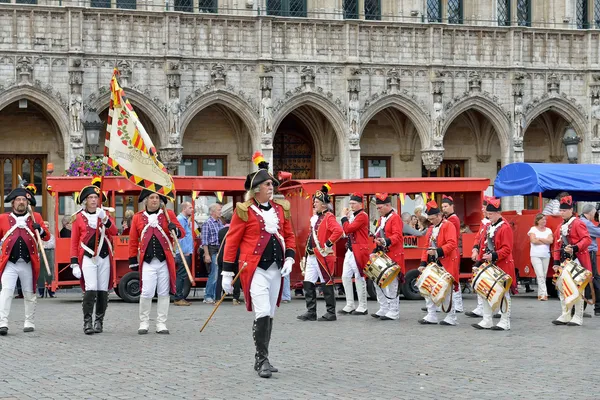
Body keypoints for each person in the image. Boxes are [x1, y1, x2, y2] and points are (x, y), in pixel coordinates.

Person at [221, 151, 296, 378]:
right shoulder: (243, 211)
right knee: (262, 311)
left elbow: (289, 236)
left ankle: (260, 356)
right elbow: (232, 242)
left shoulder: (281, 209)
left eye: (271, 184)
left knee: (270, 313)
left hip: (276, 270)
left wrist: (291, 257)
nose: (271, 187)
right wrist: (226, 272)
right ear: (256, 190)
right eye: (266, 184)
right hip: (254, 270)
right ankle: (262, 359)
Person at [129, 189, 184, 334]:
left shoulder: (168, 215)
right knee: (146, 292)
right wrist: (133, 259)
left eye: (157, 198)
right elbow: (133, 240)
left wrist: (175, 230)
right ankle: (144, 322)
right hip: (147, 261)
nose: (155, 200)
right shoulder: (137, 217)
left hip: (164, 261)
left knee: (163, 292)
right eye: (152, 197)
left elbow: (182, 232)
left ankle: (161, 323)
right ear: (146, 200)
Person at [70, 178, 118, 334]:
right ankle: (87, 322)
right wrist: (74, 263)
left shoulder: (104, 215)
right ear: (85, 200)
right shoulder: (78, 217)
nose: (93, 200)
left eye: (96, 198)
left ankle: (99, 321)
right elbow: (74, 241)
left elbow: (115, 232)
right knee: (90, 288)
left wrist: (104, 219)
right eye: (90, 197)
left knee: (103, 290)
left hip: (104, 256)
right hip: (87, 257)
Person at [0, 184, 49, 336]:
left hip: (28, 262)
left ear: (27, 203)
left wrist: (39, 229)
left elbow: (47, 236)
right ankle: (3, 322)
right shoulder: (3, 218)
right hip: (9, 263)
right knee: (6, 292)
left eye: (24, 200)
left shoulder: (36, 217)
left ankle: (29, 321)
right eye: (18, 199)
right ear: (13, 202)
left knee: (29, 293)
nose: (21, 202)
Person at [297, 183, 343, 322]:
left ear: (323, 204)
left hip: (323, 256)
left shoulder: (329, 217)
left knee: (326, 283)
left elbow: (338, 231)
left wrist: (328, 243)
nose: (314, 204)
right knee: (308, 282)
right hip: (311, 256)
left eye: (316, 202)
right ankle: (311, 312)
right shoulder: (316, 218)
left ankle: (331, 312)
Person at [472, 197, 516, 331]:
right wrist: (478, 263)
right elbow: (482, 247)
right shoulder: (487, 227)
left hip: (502, 265)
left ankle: (505, 321)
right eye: (488, 214)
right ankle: (487, 319)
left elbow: (507, 249)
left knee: (503, 293)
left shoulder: (505, 227)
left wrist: (494, 255)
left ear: (498, 213)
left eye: (491, 214)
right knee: (484, 291)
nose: (488, 216)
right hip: (488, 266)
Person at [551, 195, 591, 326]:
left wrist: (574, 247)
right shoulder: (560, 226)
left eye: (563, 211)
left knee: (578, 289)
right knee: (562, 289)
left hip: (577, 261)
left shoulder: (578, 223)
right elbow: (557, 245)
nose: (561, 213)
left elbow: (587, 239)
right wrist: (556, 263)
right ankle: (566, 314)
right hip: (563, 263)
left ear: (570, 210)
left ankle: (578, 317)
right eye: (560, 210)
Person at [418, 200, 459, 326]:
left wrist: (437, 251)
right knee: (427, 287)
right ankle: (431, 314)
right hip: (432, 264)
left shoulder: (448, 225)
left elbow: (452, 243)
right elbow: (426, 246)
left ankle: (451, 316)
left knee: (447, 291)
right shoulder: (430, 228)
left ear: (439, 215)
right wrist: (423, 263)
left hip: (445, 262)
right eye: (429, 218)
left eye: (433, 218)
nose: (431, 221)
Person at [371, 193, 404, 321]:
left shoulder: (395, 218)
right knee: (377, 281)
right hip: (383, 254)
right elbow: (379, 235)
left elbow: (397, 236)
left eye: (380, 208)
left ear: (388, 205)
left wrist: (385, 241)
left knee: (392, 284)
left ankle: (394, 310)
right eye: (377, 208)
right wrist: (375, 248)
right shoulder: (382, 219)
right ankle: (384, 307)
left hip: (393, 254)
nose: (378, 210)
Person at [339, 192, 370, 315]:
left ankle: (363, 306)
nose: (351, 206)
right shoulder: (354, 215)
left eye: (354, 203)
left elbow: (348, 229)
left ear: (360, 204)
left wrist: (343, 217)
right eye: (350, 203)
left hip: (359, 250)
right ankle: (350, 304)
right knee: (345, 276)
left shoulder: (362, 216)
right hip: (351, 250)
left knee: (359, 277)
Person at [466, 197, 491, 319]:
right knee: (479, 280)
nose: (482, 209)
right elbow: (478, 237)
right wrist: (475, 248)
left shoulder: (492, 223)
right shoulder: (484, 222)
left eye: (484, 206)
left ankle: (493, 307)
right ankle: (481, 306)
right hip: (481, 256)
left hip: (489, 256)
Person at [441, 195, 464, 313]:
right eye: (442, 207)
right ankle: (454, 304)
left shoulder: (452, 219)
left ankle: (458, 304)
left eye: (445, 206)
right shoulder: (449, 218)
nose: (443, 209)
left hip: (452, 250)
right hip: (450, 250)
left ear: (452, 206)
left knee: (453, 277)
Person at [216, 215, 243, 305]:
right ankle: (235, 298)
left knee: (220, 276)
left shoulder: (221, 231)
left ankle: (217, 298)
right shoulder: (237, 231)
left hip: (222, 256)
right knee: (236, 277)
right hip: (235, 255)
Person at [580, 203, 600, 316]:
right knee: (594, 279)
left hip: (583, 253)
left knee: (586, 279)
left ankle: (582, 308)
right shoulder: (586, 223)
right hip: (589, 252)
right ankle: (598, 307)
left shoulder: (580, 221)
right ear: (591, 213)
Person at [201, 203, 224, 304]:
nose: (220, 212)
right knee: (214, 274)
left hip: (220, 249)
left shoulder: (219, 222)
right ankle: (208, 296)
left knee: (218, 273)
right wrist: (206, 254)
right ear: (213, 212)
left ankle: (215, 295)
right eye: (219, 210)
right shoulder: (207, 223)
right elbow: (204, 241)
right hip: (212, 249)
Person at [528, 213, 553, 301]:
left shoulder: (548, 230)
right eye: (542, 219)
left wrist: (540, 239)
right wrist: (544, 241)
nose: (544, 221)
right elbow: (533, 240)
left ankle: (540, 294)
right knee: (540, 274)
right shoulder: (533, 229)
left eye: (545, 219)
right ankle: (544, 294)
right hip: (535, 255)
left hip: (546, 255)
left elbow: (550, 241)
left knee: (544, 275)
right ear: (538, 220)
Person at [174, 202, 193, 306]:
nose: (192, 209)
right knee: (181, 275)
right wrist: (184, 251)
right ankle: (178, 297)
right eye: (190, 208)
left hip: (185, 251)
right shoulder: (181, 220)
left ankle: (180, 297)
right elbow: (180, 237)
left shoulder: (184, 220)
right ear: (184, 209)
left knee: (183, 275)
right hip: (183, 252)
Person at [38, 221, 56, 298]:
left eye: (47, 226)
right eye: (45, 226)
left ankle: (51, 291)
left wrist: (44, 245)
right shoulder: (38, 236)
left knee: (50, 271)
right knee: (41, 272)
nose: (46, 228)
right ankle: (41, 292)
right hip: (40, 253)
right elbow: (38, 244)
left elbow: (52, 244)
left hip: (49, 253)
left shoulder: (51, 236)